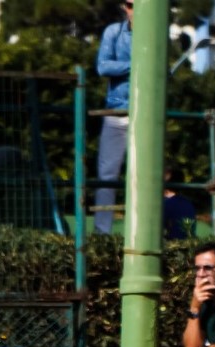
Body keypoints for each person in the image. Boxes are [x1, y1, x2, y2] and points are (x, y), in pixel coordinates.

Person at [94, 1, 132, 234]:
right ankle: (102, 232)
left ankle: (144, 231)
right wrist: (138, 64)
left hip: (145, 113)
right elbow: (103, 67)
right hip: (116, 110)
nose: (134, 10)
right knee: (107, 175)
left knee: (145, 175)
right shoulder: (113, 32)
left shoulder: (158, 34)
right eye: (130, 4)